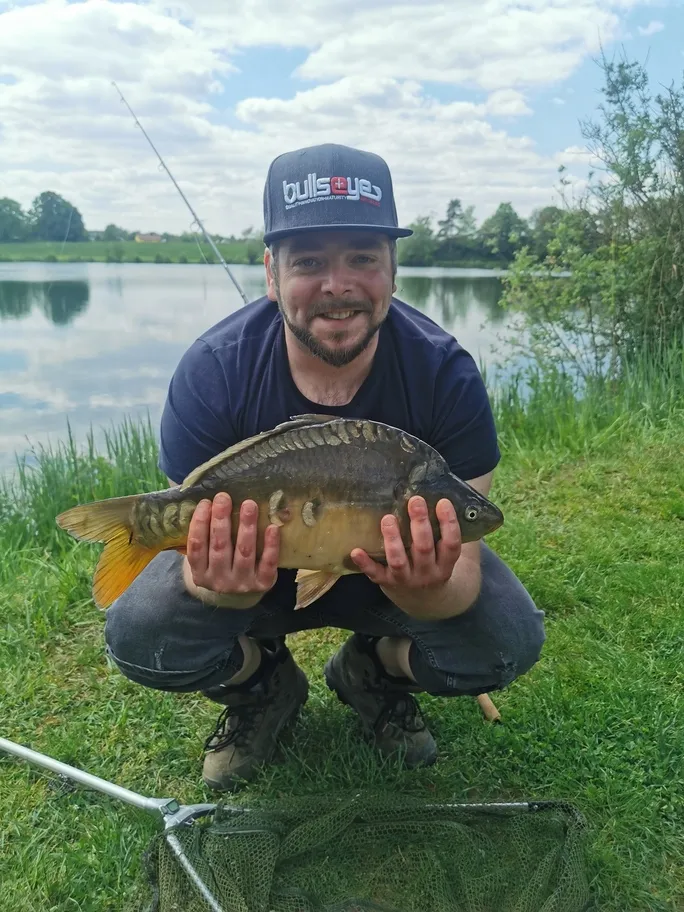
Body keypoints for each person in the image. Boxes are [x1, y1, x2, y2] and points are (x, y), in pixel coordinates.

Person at [104, 143, 545, 792]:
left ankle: (373, 670)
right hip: (256, 581)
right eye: (308, 261)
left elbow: (462, 577)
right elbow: (199, 554)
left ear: (393, 270)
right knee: (140, 634)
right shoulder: (214, 369)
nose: (337, 284)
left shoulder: (444, 373)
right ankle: (260, 684)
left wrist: (423, 585)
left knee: (506, 639)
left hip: (381, 585)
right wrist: (224, 585)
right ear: (271, 274)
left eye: (362, 257)